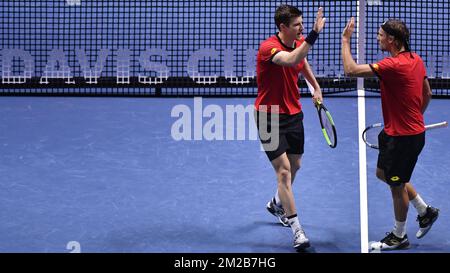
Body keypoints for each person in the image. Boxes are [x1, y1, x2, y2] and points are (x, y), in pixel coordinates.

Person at [341, 17, 439, 251]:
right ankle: (425, 211)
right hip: (399, 132)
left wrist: (345, 40)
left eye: (380, 34)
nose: (378, 38)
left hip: (403, 139)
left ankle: (399, 236)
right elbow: (427, 94)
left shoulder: (392, 65)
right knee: (383, 174)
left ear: (392, 40)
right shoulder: (416, 60)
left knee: (397, 186)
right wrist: (414, 117)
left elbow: (350, 70)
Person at [254, 4, 325, 250]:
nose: (302, 28)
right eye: (297, 25)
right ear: (283, 27)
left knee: (295, 165)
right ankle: (297, 230)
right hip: (268, 117)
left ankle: (276, 202)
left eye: (303, 24)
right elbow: (292, 58)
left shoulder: (298, 41)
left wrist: (315, 86)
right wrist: (315, 33)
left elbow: (301, 60)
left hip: (294, 115)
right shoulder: (268, 48)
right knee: (283, 172)